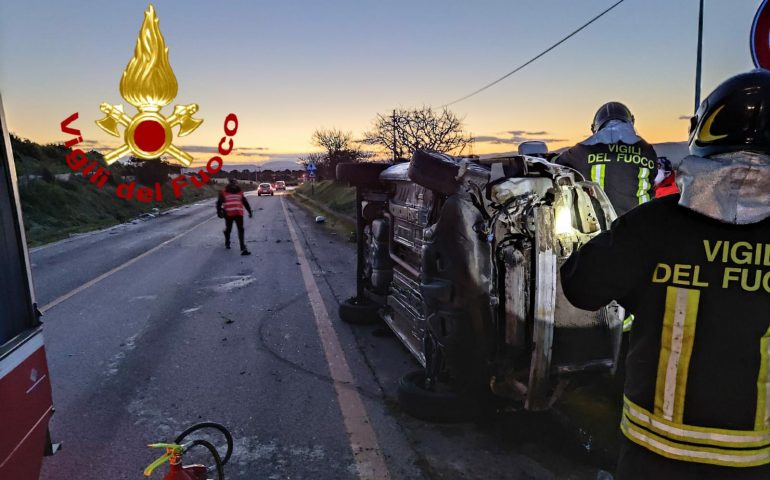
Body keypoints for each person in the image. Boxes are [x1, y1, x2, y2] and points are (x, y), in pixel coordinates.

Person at [560, 71, 770, 479]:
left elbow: (579, 285)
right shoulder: (645, 153)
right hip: (755, 461)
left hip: (654, 456)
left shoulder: (652, 227)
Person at [556, 102, 658, 216]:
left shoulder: (583, 150)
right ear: (630, 122)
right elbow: (652, 177)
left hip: (603, 229)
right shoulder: (646, 149)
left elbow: (557, 163)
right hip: (643, 223)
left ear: (596, 126)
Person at [216, 177, 252, 255]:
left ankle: (242, 246)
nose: (234, 185)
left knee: (241, 229)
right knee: (229, 229)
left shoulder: (240, 192)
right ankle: (227, 241)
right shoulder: (224, 192)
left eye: (235, 183)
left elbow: (245, 202)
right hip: (228, 214)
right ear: (230, 184)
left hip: (238, 213)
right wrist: (219, 211)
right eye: (233, 183)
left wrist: (249, 211)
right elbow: (219, 203)